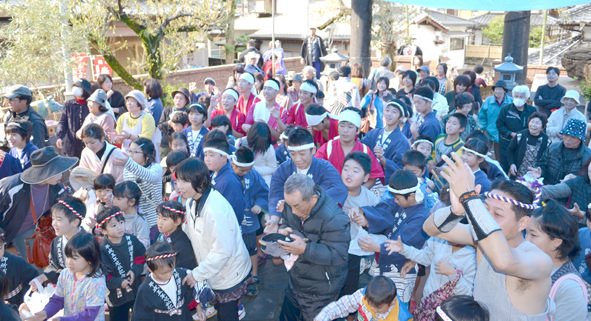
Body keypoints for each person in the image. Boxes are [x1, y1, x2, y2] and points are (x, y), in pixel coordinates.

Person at [423, 155, 555, 320]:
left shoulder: (540, 260)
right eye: (485, 209)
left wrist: (469, 198)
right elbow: (430, 229)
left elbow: (503, 261)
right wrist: (455, 212)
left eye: (498, 214)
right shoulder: (482, 240)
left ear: (523, 223)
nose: (487, 217)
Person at [175, 158, 252, 321]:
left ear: (201, 182)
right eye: (178, 180)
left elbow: (222, 252)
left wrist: (197, 274)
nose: (179, 186)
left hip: (229, 273)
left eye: (185, 181)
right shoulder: (191, 201)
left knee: (227, 315)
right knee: (221, 311)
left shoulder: (215, 209)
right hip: (213, 270)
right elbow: (190, 230)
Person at [274, 174, 349, 321]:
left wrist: (305, 249)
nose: (293, 211)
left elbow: (339, 255)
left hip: (321, 291)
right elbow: (287, 221)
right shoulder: (293, 205)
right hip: (295, 281)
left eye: (297, 206)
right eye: (289, 206)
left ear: (313, 198)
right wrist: (284, 230)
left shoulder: (335, 219)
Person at [353, 169, 429, 303]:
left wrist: (377, 247)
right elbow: (386, 208)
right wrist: (365, 217)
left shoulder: (420, 216)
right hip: (385, 260)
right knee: (377, 302)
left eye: (398, 198)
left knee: (394, 306)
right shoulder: (403, 201)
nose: (395, 201)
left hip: (401, 268)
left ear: (412, 196)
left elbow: (403, 243)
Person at [266, 127, 348, 232]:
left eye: (302, 154)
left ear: (313, 150)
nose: (297, 159)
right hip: (291, 224)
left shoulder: (324, 167)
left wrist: (310, 201)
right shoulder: (283, 169)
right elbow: (275, 196)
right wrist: (274, 221)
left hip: (320, 224)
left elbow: (339, 190)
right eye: (293, 154)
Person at [0, 147, 76, 258]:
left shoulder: (56, 185)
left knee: (56, 258)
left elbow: (64, 205)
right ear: (44, 173)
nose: (61, 175)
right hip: (17, 230)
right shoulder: (13, 186)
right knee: (34, 267)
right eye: (57, 171)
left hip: (40, 227)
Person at [525, 200, 588, 321]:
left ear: (556, 242)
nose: (526, 241)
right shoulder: (531, 266)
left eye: (533, 235)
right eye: (526, 233)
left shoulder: (569, 287)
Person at [22, 232, 106, 321]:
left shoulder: (96, 282)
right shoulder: (65, 274)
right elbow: (58, 299)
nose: (69, 262)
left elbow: (89, 315)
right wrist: (45, 313)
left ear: (90, 259)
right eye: (68, 256)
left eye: (75, 258)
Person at [384, 234, 476, 307]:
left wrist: (453, 275)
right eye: (447, 229)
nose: (448, 234)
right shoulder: (439, 240)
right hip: (428, 303)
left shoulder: (473, 257)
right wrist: (403, 249)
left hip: (450, 310)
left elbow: (467, 294)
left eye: (453, 232)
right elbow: (424, 257)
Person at [340, 152, 381, 297]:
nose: (349, 174)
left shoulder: (369, 198)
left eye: (355, 171)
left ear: (366, 177)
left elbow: (378, 221)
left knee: (350, 284)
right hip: (334, 245)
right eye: (346, 168)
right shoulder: (335, 192)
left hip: (354, 250)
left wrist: (366, 221)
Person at [231, 147, 269, 297]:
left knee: (251, 247)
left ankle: (253, 276)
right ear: (233, 164)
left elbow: (263, 191)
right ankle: (236, 278)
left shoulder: (252, 174)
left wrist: (259, 204)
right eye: (242, 171)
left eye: (248, 170)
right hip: (230, 218)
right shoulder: (225, 174)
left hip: (248, 216)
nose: (246, 173)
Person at [97, 206, 146, 320]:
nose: (120, 227)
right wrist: (118, 282)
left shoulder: (132, 239)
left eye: (121, 222)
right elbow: (104, 273)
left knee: (139, 317)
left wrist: (135, 271)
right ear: (103, 230)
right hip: (116, 295)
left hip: (135, 289)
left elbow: (141, 256)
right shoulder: (102, 249)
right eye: (114, 225)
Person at [315, 108, 384, 188]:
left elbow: (373, 177)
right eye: (341, 126)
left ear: (358, 130)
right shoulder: (328, 148)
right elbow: (315, 168)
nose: (345, 130)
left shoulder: (365, 150)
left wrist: (357, 193)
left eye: (350, 127)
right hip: (331, 195)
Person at [30, 197, 86, 288]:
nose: (54, 224)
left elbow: (95, 269)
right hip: (66, 289)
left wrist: (68, 273)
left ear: (75, 222)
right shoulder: (57, 241)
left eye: (59, 220)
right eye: (53, 219)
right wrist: (42, 277)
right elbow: (54, 266)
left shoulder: (88, 243)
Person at [132, 242, 196, 321]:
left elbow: (190, 293)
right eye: (163, 273)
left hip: (183, 316)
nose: (168, 275)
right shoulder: (145, 289)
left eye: (171, 269)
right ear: (150, 270)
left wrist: (199, 308)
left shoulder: (180, 274)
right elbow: (140, 314)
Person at [111, 137, 163, 227]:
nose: (130, 154)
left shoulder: (156, 168)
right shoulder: (128, 170)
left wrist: (128, 163)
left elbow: (151, 176)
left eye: (135, 152)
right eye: (129, 151)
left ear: (147, 156)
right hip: (136, 221)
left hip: (154, 220)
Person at [314, 276, 413, 321]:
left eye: (378, 308)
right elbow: (341, 306)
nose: (373, 309)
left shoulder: (401, 318)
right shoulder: (365, 294)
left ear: (392, 302)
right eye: (370, 304)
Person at [531, 118, 591, 186]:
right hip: (548, 189)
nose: (568, 139)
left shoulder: (588, 155)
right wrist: (540, 171)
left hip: (571, 193)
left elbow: (588, 180)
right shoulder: (553, 148)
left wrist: (576, 180)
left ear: (580, 139)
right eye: (566, 135)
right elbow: (542, 164)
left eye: (573, 137)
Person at [361, 100, 411, 182]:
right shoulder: (373, 133)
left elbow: (400, 169)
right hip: (366, 178)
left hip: (385, 184)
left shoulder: (403, 142)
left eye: (394, 112)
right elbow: (360, 148)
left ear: (401, 117)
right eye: (387, 110)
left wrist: (383, 159)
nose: (389, 114)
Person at [203, 138, 245, 224]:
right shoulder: (214, 174)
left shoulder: (230, 181)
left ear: (224, 158)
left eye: (211, 155)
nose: (207, 159)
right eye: (205, 155)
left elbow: (235, 213)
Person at [496, 86, 539, 172]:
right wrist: (510, 133)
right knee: (505, 165)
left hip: (523, 143)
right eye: (516, 96)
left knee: (519, 166)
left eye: (521, 96)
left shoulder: (532, 110)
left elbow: (534, 126)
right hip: (506, 142)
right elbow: (499, 124)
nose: (518, 98)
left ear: (526, 98)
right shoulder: (506, 109)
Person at [153, 201, 197, 270]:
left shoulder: (182, 244)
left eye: (164, 219)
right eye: (159, 217)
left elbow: (185, 270)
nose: (159, 222)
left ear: (177, 221)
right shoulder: (159, 234)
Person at [0, 226, 38, 307]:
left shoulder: (16, 262)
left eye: (0, 247)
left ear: (4, 244)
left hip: (16, 304)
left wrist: (27, 303)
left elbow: (32, 277)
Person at [507, 112, 551, 179]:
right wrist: (512, 164)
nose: (533, 125)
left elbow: (547, 161)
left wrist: (541, 171)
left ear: (543, 127)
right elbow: (510, 150)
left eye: (537, 123)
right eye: (532, 122)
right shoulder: (520, 135)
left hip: (534, 176)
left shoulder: (547, 141)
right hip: (518, 173)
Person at [115, 90, 157, 157]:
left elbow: (147, 138)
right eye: (128, 101)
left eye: (132, 101)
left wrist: (129, 136)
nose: (129, 103)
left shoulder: (147, 117)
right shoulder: (123, 117)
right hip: (126, 156)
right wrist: (116, 138)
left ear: (140, 103)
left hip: (144, 156)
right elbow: (118, 138)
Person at [478, 80, 513, 159]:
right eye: (496, 89)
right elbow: (481, 115)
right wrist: (484, 128)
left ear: (505, 90)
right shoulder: (488, 101)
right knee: (484, 153)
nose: (498, 91)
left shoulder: (511, 101)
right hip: (489, 130)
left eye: (500, 89)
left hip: (503, 132)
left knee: (500, 155)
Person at [56, 79, 91, 158]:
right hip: (72, 146)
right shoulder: (69, 104)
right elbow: (63, 122)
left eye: (79, 86)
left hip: (89, 145)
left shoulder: (91, 104)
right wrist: (59, 137)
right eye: (75, 86)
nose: (76, 88)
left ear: (85, 90)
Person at [112, 181, 150, 248]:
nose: (114, 201)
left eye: (118, 199)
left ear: (132, 202)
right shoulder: (119, 214)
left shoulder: (140, 220)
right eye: (114, 198)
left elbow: (144, 243)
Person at [240, 122, 277, 186]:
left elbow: (273, 168)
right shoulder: (240, 143)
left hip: (261, 177)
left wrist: (254, 169)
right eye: (255, 142)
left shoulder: (269, 148)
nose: (257, 145)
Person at [158, 87, 191, 159]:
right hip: (166, 143)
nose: (178, 101)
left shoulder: (188, 113)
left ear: (186, 101)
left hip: (182, 144)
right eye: (176, 98)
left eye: (181, 99)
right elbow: (160, 125)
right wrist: (169, 123)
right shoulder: (167, 110)